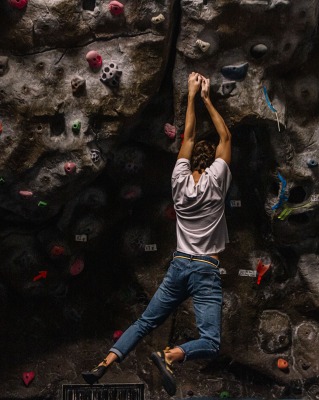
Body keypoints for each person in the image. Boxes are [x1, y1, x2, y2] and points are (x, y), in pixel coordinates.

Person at [81, 72, 232, 396]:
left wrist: (191, 95)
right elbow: (226, 139)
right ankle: (169, 355)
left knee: (145, 322)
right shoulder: (217, 180)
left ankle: (104, 364)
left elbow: (188, 137)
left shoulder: (178, 180)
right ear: (213, 165)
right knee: (210, 341)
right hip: (205, 269)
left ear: (191, 161)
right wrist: (208, 99)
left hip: (178, 266)